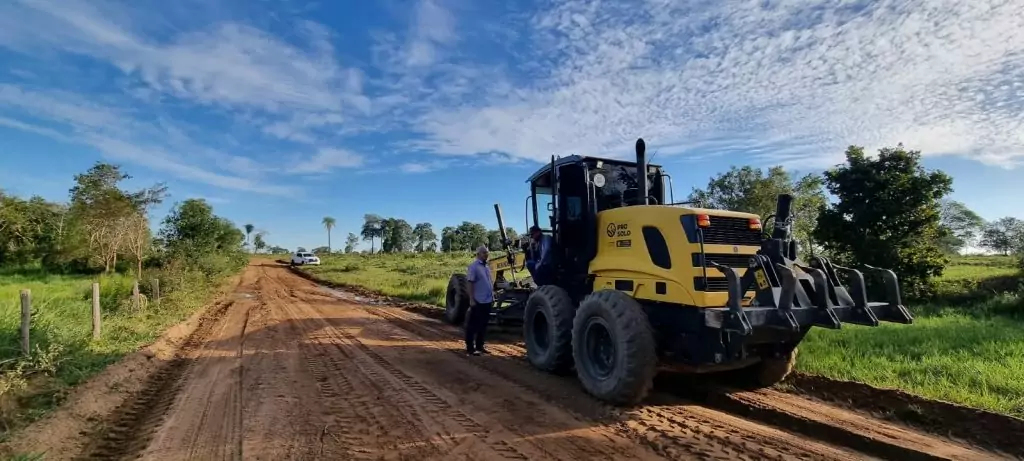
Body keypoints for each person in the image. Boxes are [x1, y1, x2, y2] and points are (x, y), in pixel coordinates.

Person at [464, 245, 493, 356]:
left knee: (483, 325)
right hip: (478, 300)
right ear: (478, 254)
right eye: (484, 253)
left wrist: (492, 296)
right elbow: (470, 282)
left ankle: (480, 346)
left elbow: (489, 282)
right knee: (473, 325)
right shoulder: (474, 267)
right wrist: (471, 299)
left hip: (487, 300)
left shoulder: (486, 267)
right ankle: (470, 348)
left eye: (487, 252)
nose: (486, 254)